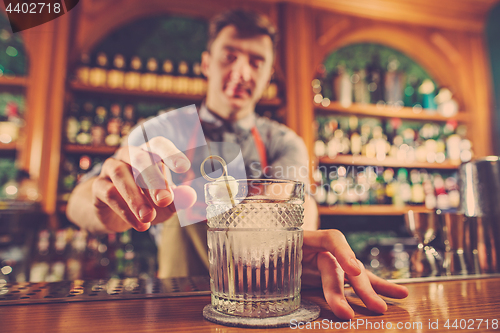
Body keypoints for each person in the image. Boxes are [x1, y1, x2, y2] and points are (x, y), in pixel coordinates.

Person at [67, 9, 408, 320]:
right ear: (206, 63)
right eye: (229, 57)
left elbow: (299, 209)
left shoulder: (282, 142)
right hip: (179, 308)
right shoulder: (163, 132)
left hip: (265, 305)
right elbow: (77, 203)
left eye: (256, 62)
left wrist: (301, 249)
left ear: (269, 73)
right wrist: (107, 206)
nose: (242, 72)